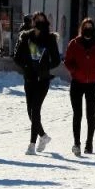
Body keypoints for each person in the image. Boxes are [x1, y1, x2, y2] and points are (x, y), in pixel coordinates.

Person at [14, 11, 61, 155]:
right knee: (30, 111)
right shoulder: (25, 37)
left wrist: (45, 68)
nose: (40, 22)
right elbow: (17, 56)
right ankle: (43, 136)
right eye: (37, 20)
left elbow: (57, 60)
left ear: (46, 23)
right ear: (33, 22)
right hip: (29, 78)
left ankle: (32, 145)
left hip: (43, 80)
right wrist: (27, 66)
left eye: (43, 20)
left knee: (36, 110)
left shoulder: (50, 39)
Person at [64, 18, 95, 156]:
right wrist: (74, 71)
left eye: (90, 27)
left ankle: (89, 143)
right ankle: (76, 143)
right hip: (77, 82)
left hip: (92, 84)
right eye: (85, 27)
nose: (88, 29)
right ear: (82, 28)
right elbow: (67, 61)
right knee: (77, 114)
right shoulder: (74, 43)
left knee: (91, 115)